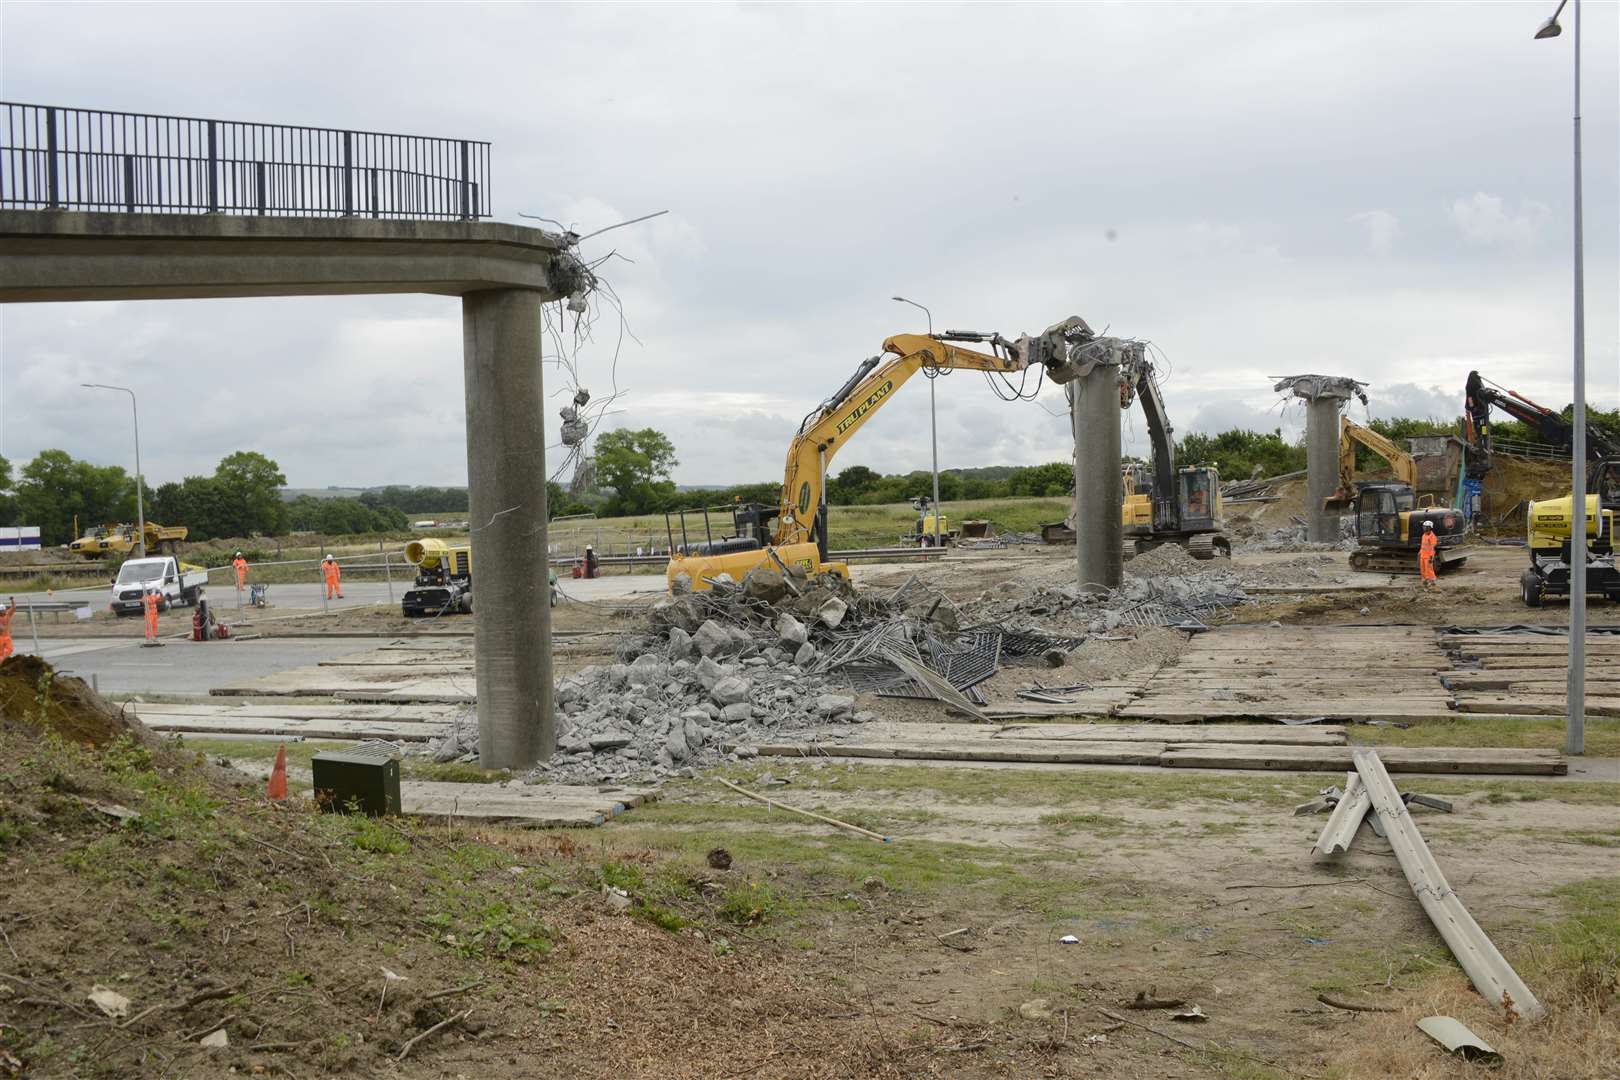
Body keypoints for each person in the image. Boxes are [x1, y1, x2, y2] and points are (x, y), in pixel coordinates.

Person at [1419, 520, 1438, 586]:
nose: (1425, 529)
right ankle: (1425, 579)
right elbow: (1423, 545)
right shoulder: (1424, 535)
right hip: (1423, 555)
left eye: (1427, 527)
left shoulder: (1432, 537)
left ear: (1430, 528)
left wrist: (1431, 557)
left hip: (1428, 556)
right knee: (1423, 568)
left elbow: (1432, 548)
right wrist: (1420, 552)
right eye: (1424, 527)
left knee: (1429, 569)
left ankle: (1432, 580)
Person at [0, 596, 16, 662]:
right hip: (0, 637)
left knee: (10, 649)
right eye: (1, 611)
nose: (3, 612)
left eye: (4, 610)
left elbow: (13, 607)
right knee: (1, 652)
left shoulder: (8, 614)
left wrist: (12, 600)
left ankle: (3, 660)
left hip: (7, 636)